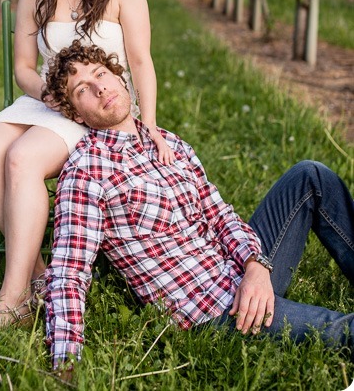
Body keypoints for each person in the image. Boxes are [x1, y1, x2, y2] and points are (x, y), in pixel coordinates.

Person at [42, 40, 354, 370]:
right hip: (214, 310)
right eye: (82, 89)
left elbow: (218, 214)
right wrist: (66, 363)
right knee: (344, 331)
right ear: (76, 112)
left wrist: (256, 266)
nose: (100, 87)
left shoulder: (170, 143)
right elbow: (68, 274)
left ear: (120, 77)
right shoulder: (87, 170)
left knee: (310, 175)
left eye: (101, 73)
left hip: (240, 270)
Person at [0, 0, 173, 325]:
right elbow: (25, 67)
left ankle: (11, 299)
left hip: (101, 106)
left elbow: (141, 59)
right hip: (49, 100)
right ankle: (39, 278)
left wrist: (151, 122)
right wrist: (49, 96)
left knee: (22, 158)